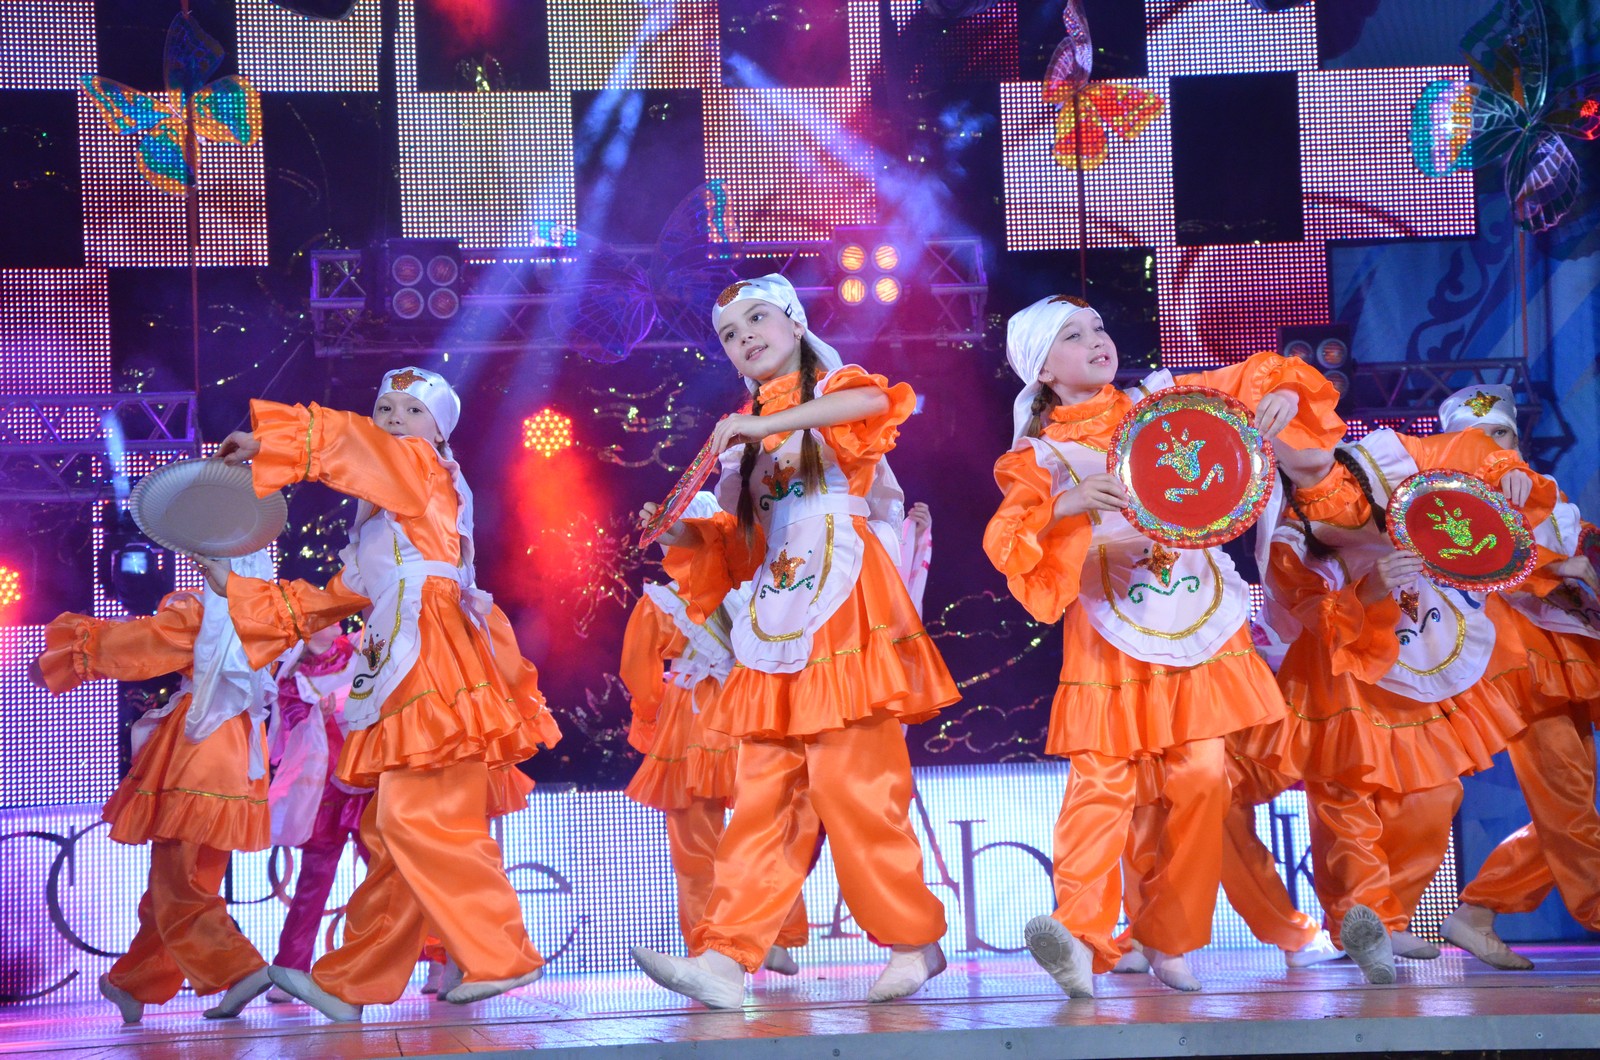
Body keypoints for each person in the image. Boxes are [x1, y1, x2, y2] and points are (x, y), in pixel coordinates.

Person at [984, 293, 1343, 995]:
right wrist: (1065, 505)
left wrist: (1278, 398)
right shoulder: (1038, 455)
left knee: (1204, 778)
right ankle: (1080, 936)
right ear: (1043, 371)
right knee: (1103, 782)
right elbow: (1005, 539)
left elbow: (1262, 377)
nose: (1097, 339)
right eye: (1072, 335)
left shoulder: (1161, 401)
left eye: (1099, 326)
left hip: (1196, 615)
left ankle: (1172, 935)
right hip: (1111, 628)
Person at [629, 274, 958, 1008]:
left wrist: (760, 427)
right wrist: (678, 531)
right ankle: (725, 959)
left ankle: (914, 940)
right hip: (778, 608)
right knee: (764, 790)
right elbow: (739, 549)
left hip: (845, 594)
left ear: (795, 323)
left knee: (852, 782)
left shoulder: (831, 389)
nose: (744, 336)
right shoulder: (742, 440)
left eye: (758, 319)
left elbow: (876, 403)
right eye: (729, 333)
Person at [209, 366, 560, 1021]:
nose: (395, 418)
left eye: (412, 409)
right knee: (392, 831)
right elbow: (332, 600)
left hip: (430, 653)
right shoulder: (381, 521)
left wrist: (272, 440)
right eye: (385, 408)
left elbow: (354, 448)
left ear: (439, 432)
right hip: (398, 655)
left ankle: (501, 952)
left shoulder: (419, 466)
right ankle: (355, 981)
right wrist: (236, 589)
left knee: (418, 819)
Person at [1264, 411, 1557, 984]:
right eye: (1288, 432)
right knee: (1347, 801)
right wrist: (1369, 588)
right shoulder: (1287, 535)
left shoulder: (1389, 456)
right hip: (1342, 672)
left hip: (1420, 654)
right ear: (1274, 452)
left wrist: (1509, 471)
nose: (1306, 436)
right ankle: (1364, 920)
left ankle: (1385, 918)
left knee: (1436, 794)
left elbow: (1467, 451)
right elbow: (1309, 609)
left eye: (1312, 421)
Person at [28, 551, 278, 1023]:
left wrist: (68, 655)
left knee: (177, 879)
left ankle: (239, 967)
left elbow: (141, 643)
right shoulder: (267, 612)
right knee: (190, 876)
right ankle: (132, 982)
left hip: (201, 747)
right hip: (240, 747)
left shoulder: (202, 612)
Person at [1429, 386, 1600, 970]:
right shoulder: (1445, 504)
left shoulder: (1547, 497)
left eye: (1500, 433)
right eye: (1474, 438)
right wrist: (1560, 566)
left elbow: (1583, 553)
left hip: (1568, 658)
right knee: (1569, 803)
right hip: (1514, 667)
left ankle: (1477, 909)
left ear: (1517, 439)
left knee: (1569, 806)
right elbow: (1493, 563)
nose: (1490, 446)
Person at [622, 493, 811, 971]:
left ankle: (708, 949)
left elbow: (639, 674)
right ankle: (777, 934)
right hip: (749, 710)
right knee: (762, 827)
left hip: (690, 722)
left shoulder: (658, 603)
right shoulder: (757, 595)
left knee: (695, 843)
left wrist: (647, 719)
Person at [260, 624, 371, 1002]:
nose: (331, 618)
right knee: (313, 882)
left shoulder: (362, 648)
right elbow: (291, 729)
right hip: (324, 790)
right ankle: (290, 972)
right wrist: (314, 718)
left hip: (369, 779)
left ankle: (435, 956)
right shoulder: (294, 679)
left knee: (393, 873)